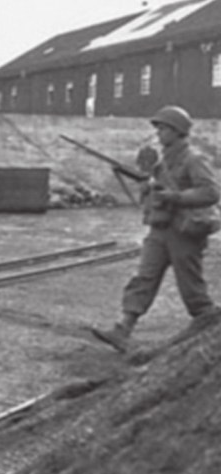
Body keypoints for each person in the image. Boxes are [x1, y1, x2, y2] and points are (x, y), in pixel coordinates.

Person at [91, 106, 221, 353]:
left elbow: (211, 192)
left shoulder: (194, 159)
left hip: (185, 232)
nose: (158, 133)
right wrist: (148, 190)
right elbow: (157, 189)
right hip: (161, 229)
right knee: (144, 278)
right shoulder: (164, 161)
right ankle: (123, 329)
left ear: (177, 131)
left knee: (191, 286)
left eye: (163, 129)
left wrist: (174, 196)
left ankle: (211, 331)